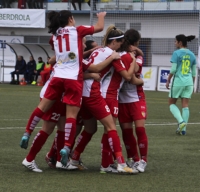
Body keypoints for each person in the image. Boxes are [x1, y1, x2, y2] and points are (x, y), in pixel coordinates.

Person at [19, 10, 107, 169]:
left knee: (59, 124)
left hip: (57, 81)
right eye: (83, 40)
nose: (82, 41)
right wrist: (101, 16)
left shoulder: (55, 36)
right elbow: (98, 29)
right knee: (56, 123)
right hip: (69, 82)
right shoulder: (77, 32)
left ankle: (51, 152)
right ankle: (57, 150)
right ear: (71, 19)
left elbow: (56, 57)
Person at [70, 25, 137, 174]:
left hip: (83, 91)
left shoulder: (100, 50)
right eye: (120, 43)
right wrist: (133, 61)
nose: (120, 46)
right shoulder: (112, 54)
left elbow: (85, 66)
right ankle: (118, 163)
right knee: (111, 127)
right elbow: (127, 76)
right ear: (115, 42)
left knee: (90, 128)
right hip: (94, 92)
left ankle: (74, 158)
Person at [118, 29, 148, 173]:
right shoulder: (120, 55)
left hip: (136, 97)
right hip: (122, 98)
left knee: (139, 129)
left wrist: (136, 55)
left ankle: (143, 161)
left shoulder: (135, 56)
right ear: (136, 42)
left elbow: (135, 70)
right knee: (127, 131)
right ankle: (134, 159)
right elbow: (133, 77)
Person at [166, 34, 196, 135]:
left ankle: (181, 122)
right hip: (189, 83)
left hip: (178, 81)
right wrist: (192, 84)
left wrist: (168, 79)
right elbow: (194, 73)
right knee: (185, 105)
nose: (175, 43)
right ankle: (183, 130)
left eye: (175, 41)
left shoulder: (176, 53)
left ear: (180, 42)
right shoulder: (192, 54)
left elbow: (174, 69)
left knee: (171, 103)